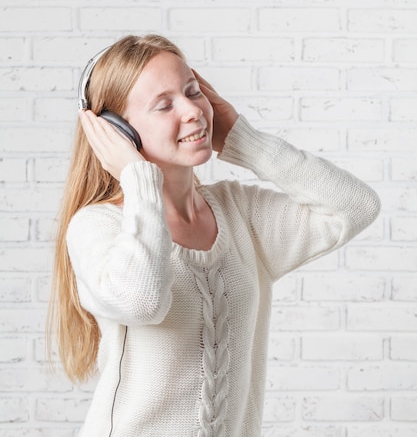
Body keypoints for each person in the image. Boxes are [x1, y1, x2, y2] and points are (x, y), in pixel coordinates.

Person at [48, 33, 381, 437]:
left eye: (193, 91)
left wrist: (244, 139)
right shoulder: (98, 227)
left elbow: (356, 206)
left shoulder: (239, 213)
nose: (192, 110)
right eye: (164, 104)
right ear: (117, 132)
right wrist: (138, 178)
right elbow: (143, 302)